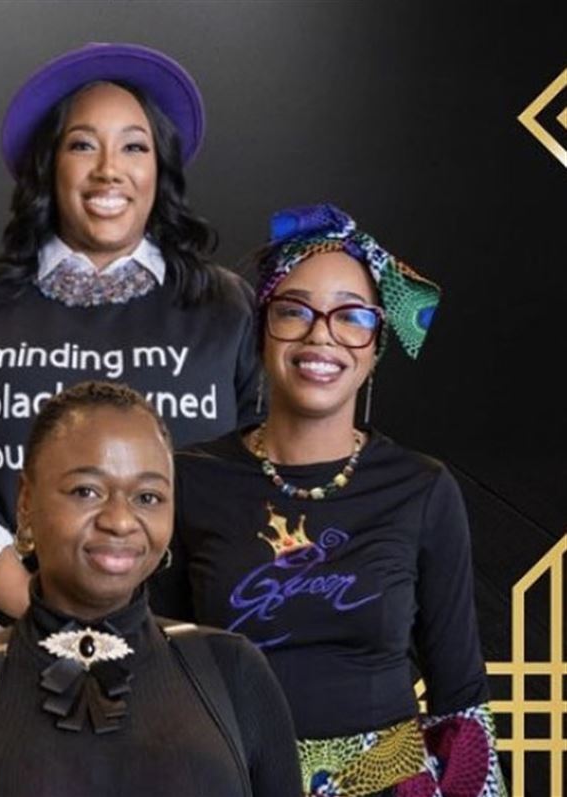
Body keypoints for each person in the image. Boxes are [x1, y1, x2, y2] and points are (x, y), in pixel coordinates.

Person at [0, 43, 261, 630]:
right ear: (48, 165)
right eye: (83, 145)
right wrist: (25, 596)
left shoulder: (226, 309)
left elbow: (264, 467)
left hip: (194, 637)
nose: (109, 169)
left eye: (134, 146)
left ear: (160, 167)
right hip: (8, 632)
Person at [148, 204, 506, 796]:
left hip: (387, 784)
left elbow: (460, 696)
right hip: (234, 777)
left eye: (352, 316)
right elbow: (157, 670)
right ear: (261, 331)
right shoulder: (190, 479)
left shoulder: (421, 488)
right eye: (295, 311)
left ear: (375, 343)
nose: (321, 335)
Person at [0, 381, 301, 796]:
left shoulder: (234, 672)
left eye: (148, 497)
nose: (119, 520)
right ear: (26, 501)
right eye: (86, 491)